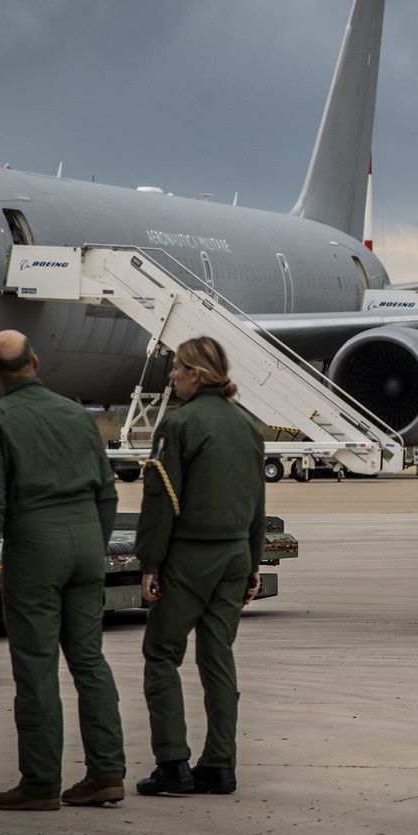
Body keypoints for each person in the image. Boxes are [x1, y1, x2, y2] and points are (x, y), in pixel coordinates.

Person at [0, 330, 125, 811]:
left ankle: (39, 782)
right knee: (90, 661)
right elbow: (108, 491)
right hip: (85, 542)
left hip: (35, 546)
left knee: (36, 668)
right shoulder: (77, 414)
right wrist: (92, 544)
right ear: (36, 361)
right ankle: (106, 773)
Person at [135, 336, 265, 797]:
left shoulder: (180, 424)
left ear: (195, 372)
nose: (171, 376)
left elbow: (161, 499)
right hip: (234, 555)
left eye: (176, 369)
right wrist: (252, 562)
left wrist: (150, 562)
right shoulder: (248, 425)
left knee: (162, 655)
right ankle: (220, 766)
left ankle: (173, 765)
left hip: (190, 557)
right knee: (218, 657)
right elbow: (257, 503)